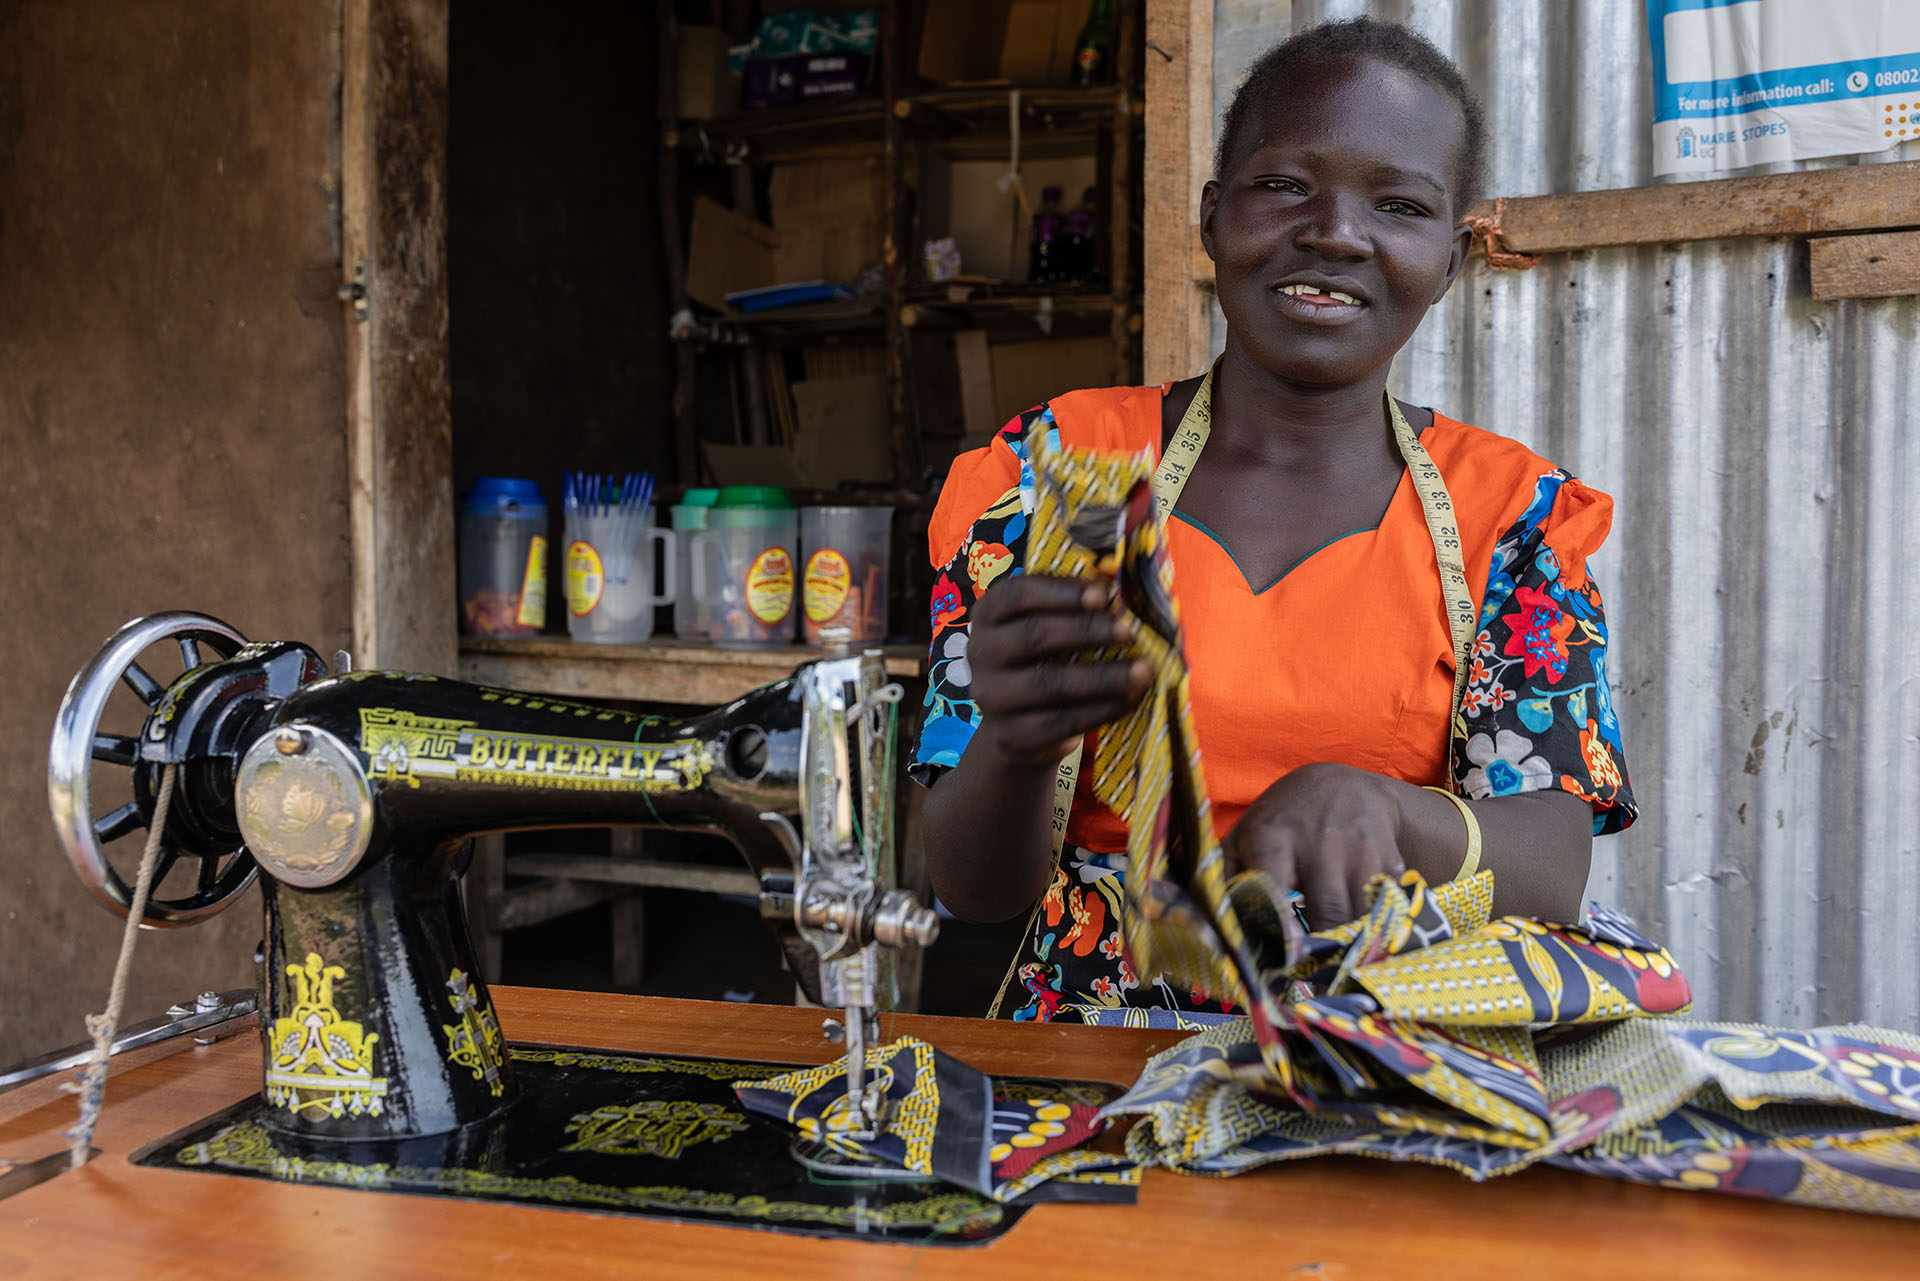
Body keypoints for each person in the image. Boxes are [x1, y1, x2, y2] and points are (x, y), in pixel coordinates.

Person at [911, 18, 1635, 1022]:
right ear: (1214, 217)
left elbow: (1552, 870)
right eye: (1286, 185)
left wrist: (1391, 812)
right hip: (1090, 1061)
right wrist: (1017, 745)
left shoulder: (1511, 514)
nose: (1335, 232)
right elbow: (970, 887)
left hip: (1380, 1056)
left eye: (1399, 204)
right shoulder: (1056, 477)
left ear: (1449, 259)